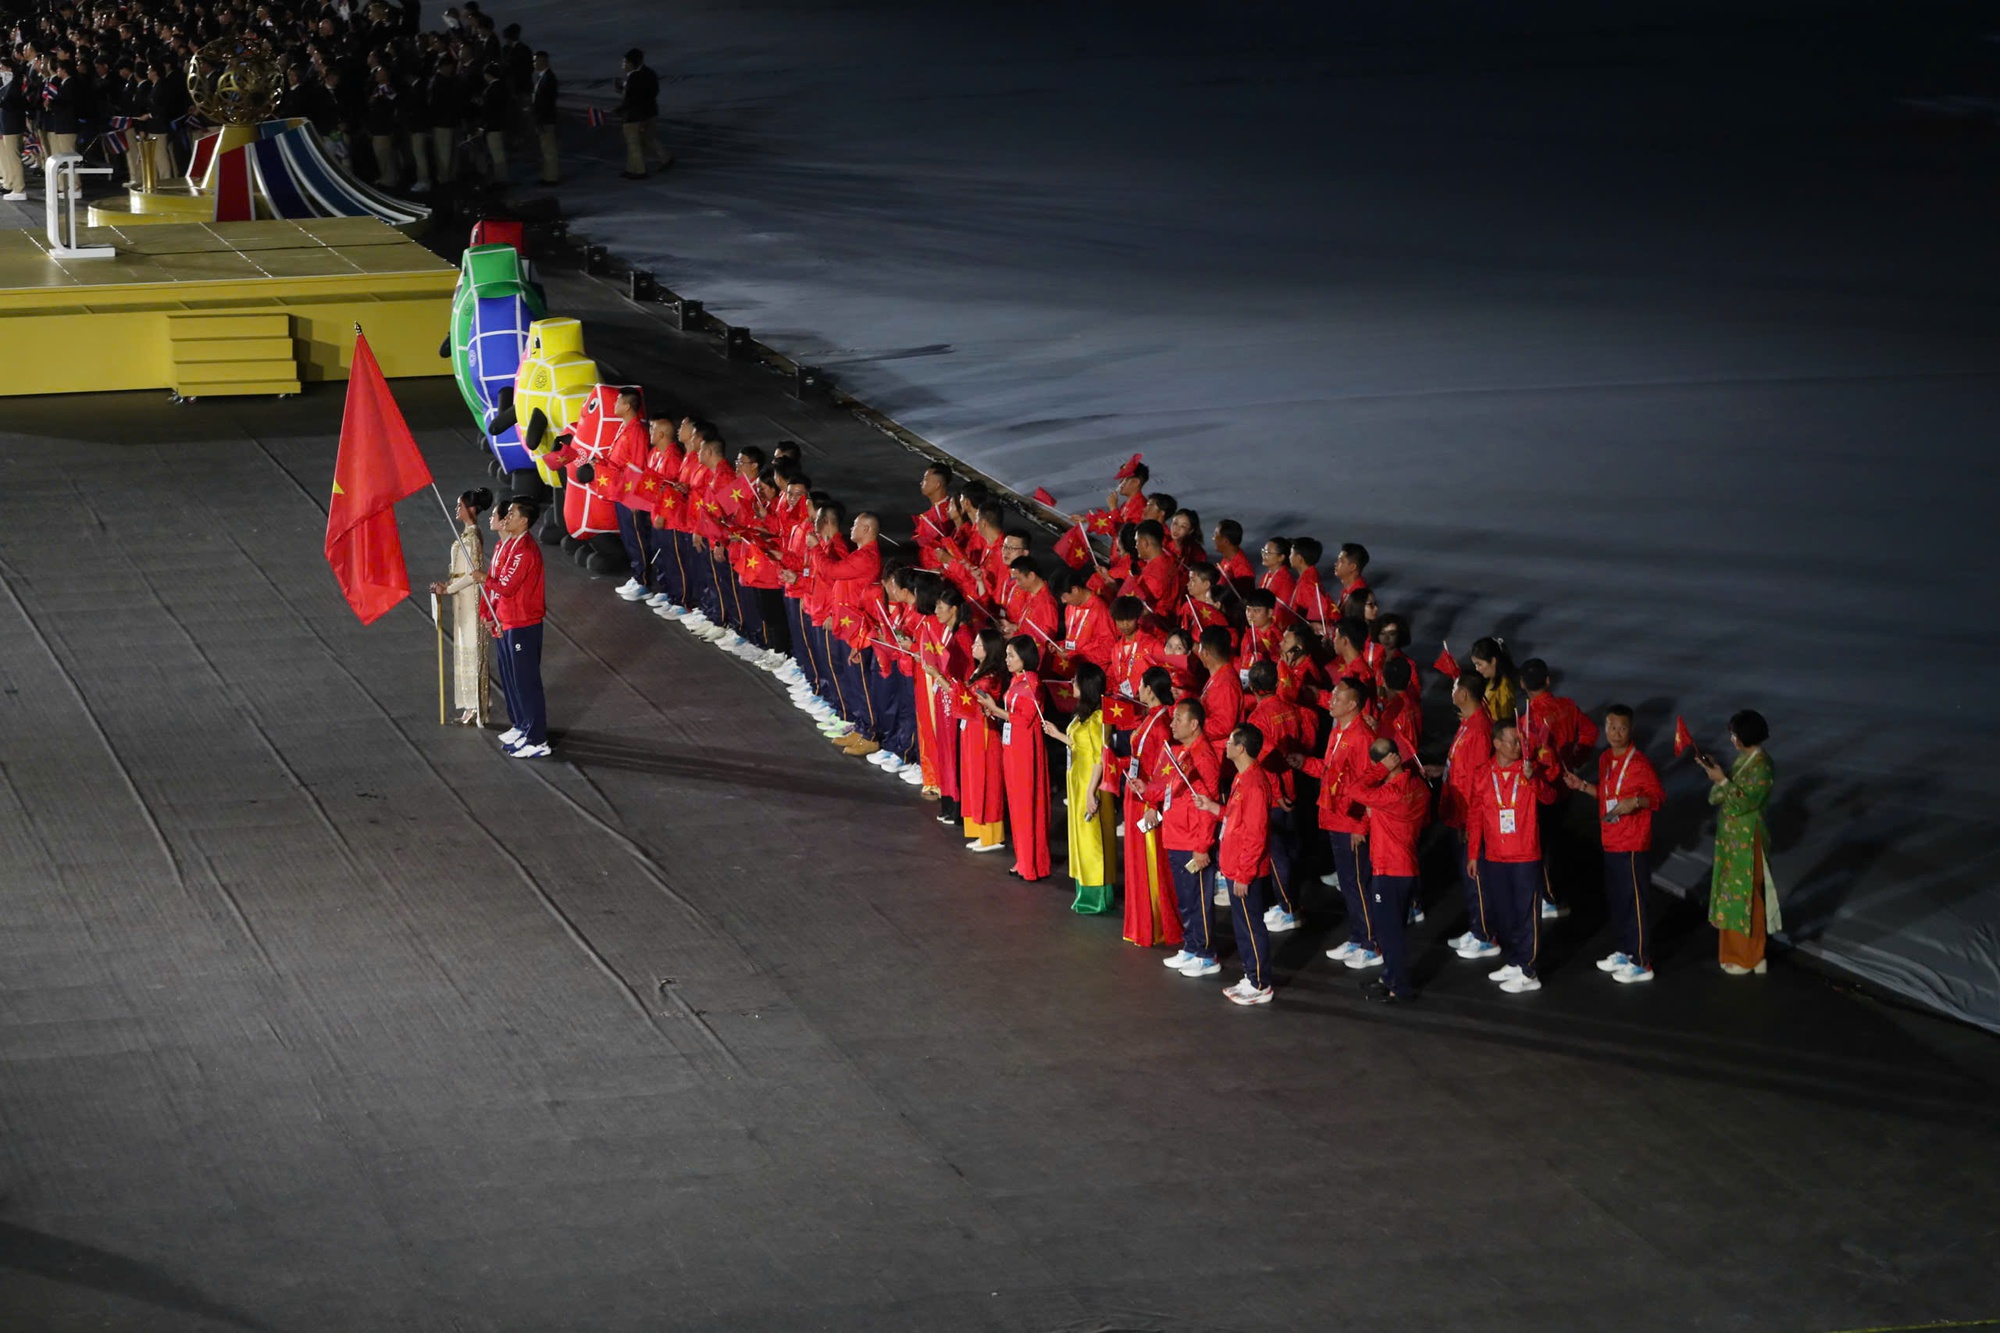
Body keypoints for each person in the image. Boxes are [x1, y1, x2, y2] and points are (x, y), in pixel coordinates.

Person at [1564, 704, 1666, 983]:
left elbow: (1658, 798)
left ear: (1630, 729)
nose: (1616, 733)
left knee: (1635, 902)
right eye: (1611, 727)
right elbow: (1608, 796)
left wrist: (1637, 801)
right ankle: (1625, 951)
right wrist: (1582, 786)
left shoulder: (1640, 764)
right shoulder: (1606, 759)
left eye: (1622, 727)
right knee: (1619, 900)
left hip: (1632, 843)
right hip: (1610, 840)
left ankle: (1642, 963)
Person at [1465, 721, 1559, 992]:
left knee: (1527, 913)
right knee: (1505, 914)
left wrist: (1534, 781)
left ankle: (1529, 972)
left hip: (1525, 855)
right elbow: (1475, 816)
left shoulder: (1529, 771)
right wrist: (1473, 853)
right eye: (1512, 741)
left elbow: (1551, 797)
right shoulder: (1483, 774)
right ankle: (1515, 961)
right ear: (1496, 744)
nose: (1518, 746)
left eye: (1519, 742)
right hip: (1495, 855)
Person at [1292, 676, 1378, 967]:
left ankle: (1370, 944)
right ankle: (1358, 936)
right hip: (1335, 817)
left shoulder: (1362, 737)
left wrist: (1360, 827)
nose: (1331, 700)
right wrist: (1304, 763)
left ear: (1353, 704)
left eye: (1338, 697)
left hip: (1350, 823)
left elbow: (1369, 786)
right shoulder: (1339, 730)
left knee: (1357, 882)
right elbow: (1331, 771)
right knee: (1348, 882)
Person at [1197, 723, 1274, 1005]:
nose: (1225, 745)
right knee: (1243, 925)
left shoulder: (1254, 783)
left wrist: (1244, 874)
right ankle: (1251, 975)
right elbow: (1235, 819)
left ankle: (1260, 984)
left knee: (1250, 926)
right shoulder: (1243, 778)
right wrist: (1212, 807)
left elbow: (1255, 833)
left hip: (1244, 871)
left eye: (1229, 742)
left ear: (1241, 748)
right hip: (1234, 865)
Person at [1699, 710, 1780, 975]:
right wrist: (1717, 774)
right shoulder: (1743, 760)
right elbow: (1716, 798)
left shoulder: (1763, 766)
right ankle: (1736, 953)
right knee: (1731, 896)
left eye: (1735, 735)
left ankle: (1752, 957)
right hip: (1732, 839)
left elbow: (1746, 802)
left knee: (1749, 897)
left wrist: (1722, 780)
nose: (1732, 739)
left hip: (1748, 838)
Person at [1350, 737, 1430, 1003]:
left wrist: (1378, 770)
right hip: (1406, 867)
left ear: (1380, 762)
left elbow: (1355, 790)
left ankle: (1400, 987)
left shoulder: (1389, 794)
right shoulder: (1417, 785)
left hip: (1388, 873)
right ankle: (1390, 976)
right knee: (1393, 928)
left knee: (1388, 932)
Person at [1427, 673, 1499, 961]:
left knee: (1476, 877)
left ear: (1465, 695)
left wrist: (1470, 823)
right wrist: (1439, 770)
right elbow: (1462, 767)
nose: (1451, 691)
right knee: (1470, 878)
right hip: (1460, 814)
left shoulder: (1479, 730)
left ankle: (1485, 935)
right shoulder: (1469, 724)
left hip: (1470, 818)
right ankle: (1477, 927)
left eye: (1455, 687)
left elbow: (1479, 784)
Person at [1150, 699, 1223, 978]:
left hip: (1192, 841)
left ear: (1194, 724)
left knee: (1198, 900)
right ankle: (1192, 946)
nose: (1172, 723)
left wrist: (1202, 846)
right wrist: (1147, 788)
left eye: (1178, 719)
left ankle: (1207, 954)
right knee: (1186, 899)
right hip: (1177, 835)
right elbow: (1172, 790)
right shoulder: (1183, 752)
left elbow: (1208, 805)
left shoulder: (1203, 756)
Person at [478, 495, 550, 758]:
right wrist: (491, 614)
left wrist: (482, 577)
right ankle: (522, 725)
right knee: (511, 679)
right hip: (507, 620)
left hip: (523, 624)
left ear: (524, 521)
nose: (506, 518)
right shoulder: (510, 547)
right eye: (506, 514)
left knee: (526, 681)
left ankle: (537, 738)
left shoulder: (525, 551)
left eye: (511, 514)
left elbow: (506, 586)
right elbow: (498, 585)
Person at [1045, 661, 1117, 914]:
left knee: (1092, 838)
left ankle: (1095, 896)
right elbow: (1079, 745)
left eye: (1075, 681)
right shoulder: (1083, 714)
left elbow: (1100, 757)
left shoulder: (1099, 718)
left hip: (1091, 781)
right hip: (1077, 779)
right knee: (1080, 836)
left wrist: (1090, 791)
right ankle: (1084, 890)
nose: (1071, 684)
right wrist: (1057, 735)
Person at [977, 636, 1050, 881]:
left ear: (1025, 658)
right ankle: (1023, 859)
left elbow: (1024, 718)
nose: (1007, 660)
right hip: (1012, 746)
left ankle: (1031, 864)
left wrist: (996, 709)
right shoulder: (1017, 680)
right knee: (1016, 805)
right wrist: (996, 711)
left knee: (1026, 804)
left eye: (1012, 656)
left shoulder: (1033, 684)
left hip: (1025, 748)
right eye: (1007, 655)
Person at [428, 487, 493, 726]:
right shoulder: (466, 535)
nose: (457, 509)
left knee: (472, 649)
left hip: (470, 598)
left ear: (472, 509)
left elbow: (474, 574)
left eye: (460, 505)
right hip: (461, 598)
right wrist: (447, 585)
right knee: (464, 648)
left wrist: (449, 589)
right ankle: (469, 703)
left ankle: (477, 704)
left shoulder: (473, 537)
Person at [616, 47, 667, 179]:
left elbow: (630, 98)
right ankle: (633, 168)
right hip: (649, 112)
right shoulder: (649, 73)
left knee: (634, 144)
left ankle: (638, 170)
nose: (623, 66)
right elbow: (653, 92)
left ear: (631, 63)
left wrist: (619, 109)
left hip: (634, 115)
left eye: (625, 63)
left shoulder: (633, 78)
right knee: (647, 139)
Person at [1469, 636, 1519, 721]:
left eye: (1479, 664)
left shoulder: (1504, 688)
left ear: (1493, 660)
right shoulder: (1492, 682)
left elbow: (1504, 724)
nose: (1477, 669)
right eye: (1475, 665)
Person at [530, 49, 559, 184]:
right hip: (545, 118)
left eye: (535, 60)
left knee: (549, 149)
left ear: (542, 61)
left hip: (546, 119)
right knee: (546, 148)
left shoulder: (548, 78)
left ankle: (551, 177)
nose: (533, 63)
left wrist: (540, 119)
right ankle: (548, 175)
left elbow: (546, 102)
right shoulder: (543, 77)